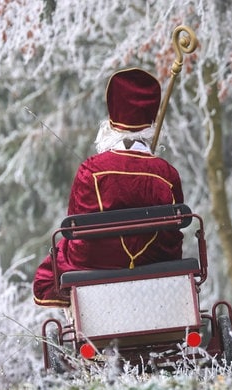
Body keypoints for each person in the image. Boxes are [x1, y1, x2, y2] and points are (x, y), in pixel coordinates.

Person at [33, 68, 184, 307]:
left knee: (57, 254)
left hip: (97, 263)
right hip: (155, 261)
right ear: (151, 124)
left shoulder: (92, 170)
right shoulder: (166, 174)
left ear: (111, 124)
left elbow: (77, 226)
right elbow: (173, 234)